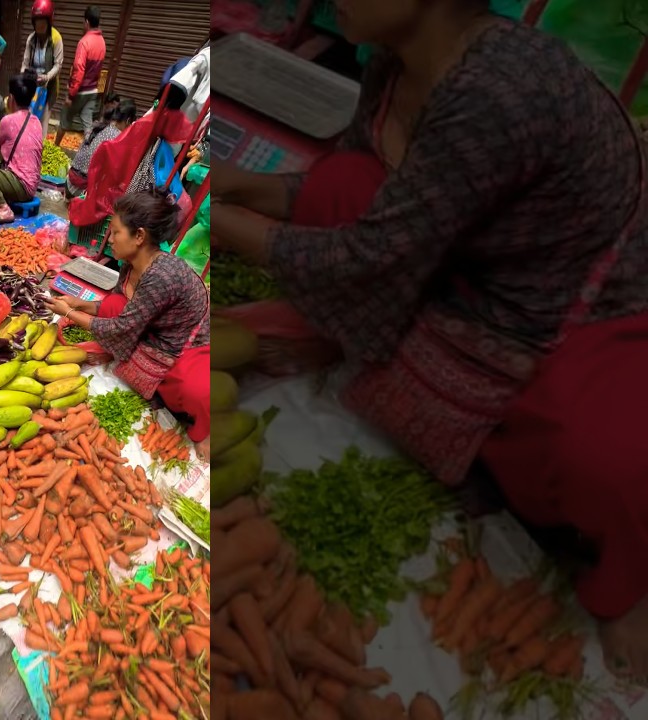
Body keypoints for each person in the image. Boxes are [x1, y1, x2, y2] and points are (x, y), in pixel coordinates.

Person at [212, 0, 648, 682]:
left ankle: (626, 592)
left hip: (572, 294)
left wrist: (219, 216)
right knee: (342, 179)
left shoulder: (494, 95)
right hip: (466, 238)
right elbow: (372, 195)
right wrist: (246, 187)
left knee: (590, 448)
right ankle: (351, 327)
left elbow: (373, 254)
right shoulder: (396, 56)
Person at [45, 191, 210, 457]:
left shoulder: (162, 276)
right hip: (154, 327)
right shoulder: (131, 263)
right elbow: (117, 307)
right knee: (111, 304)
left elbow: (122, 327)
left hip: (184, 344)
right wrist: (78, 304)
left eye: (115, 232)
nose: (109, 239)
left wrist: (70, 313)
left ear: (140, 236)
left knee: (192, 388)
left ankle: (207, 432)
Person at [0, 72, 43, 225]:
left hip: (21, 186)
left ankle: (4, 208)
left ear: (10, 98)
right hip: (32, 186)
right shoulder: (37, 121)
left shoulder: (8, 120)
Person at [54, 5, 105, 150]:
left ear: (87, 22)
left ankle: (55, 148)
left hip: (79, 91)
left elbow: (79, 70)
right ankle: (90, 151)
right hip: (92, 91)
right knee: (88, 124)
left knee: (65, 120)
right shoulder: (102, 42)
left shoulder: (84, 42)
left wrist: (71, 94)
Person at [66, 97, 136, 199]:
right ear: (129, 120)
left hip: (70, 181)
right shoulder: (118, 137)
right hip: (82, 189)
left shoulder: (99, 125)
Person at [20, 0, 63, 136]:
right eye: (37, 21)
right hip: (33, 84)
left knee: (44, 118)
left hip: (48, 87)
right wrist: (22, 78)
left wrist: (47, 77)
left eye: (43, 21)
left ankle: (40, 147)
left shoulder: (56, 38)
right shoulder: (31, 39)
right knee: (29, 116)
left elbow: (58, 64)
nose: (39, 25)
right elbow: (25, 63)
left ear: (49, 21)